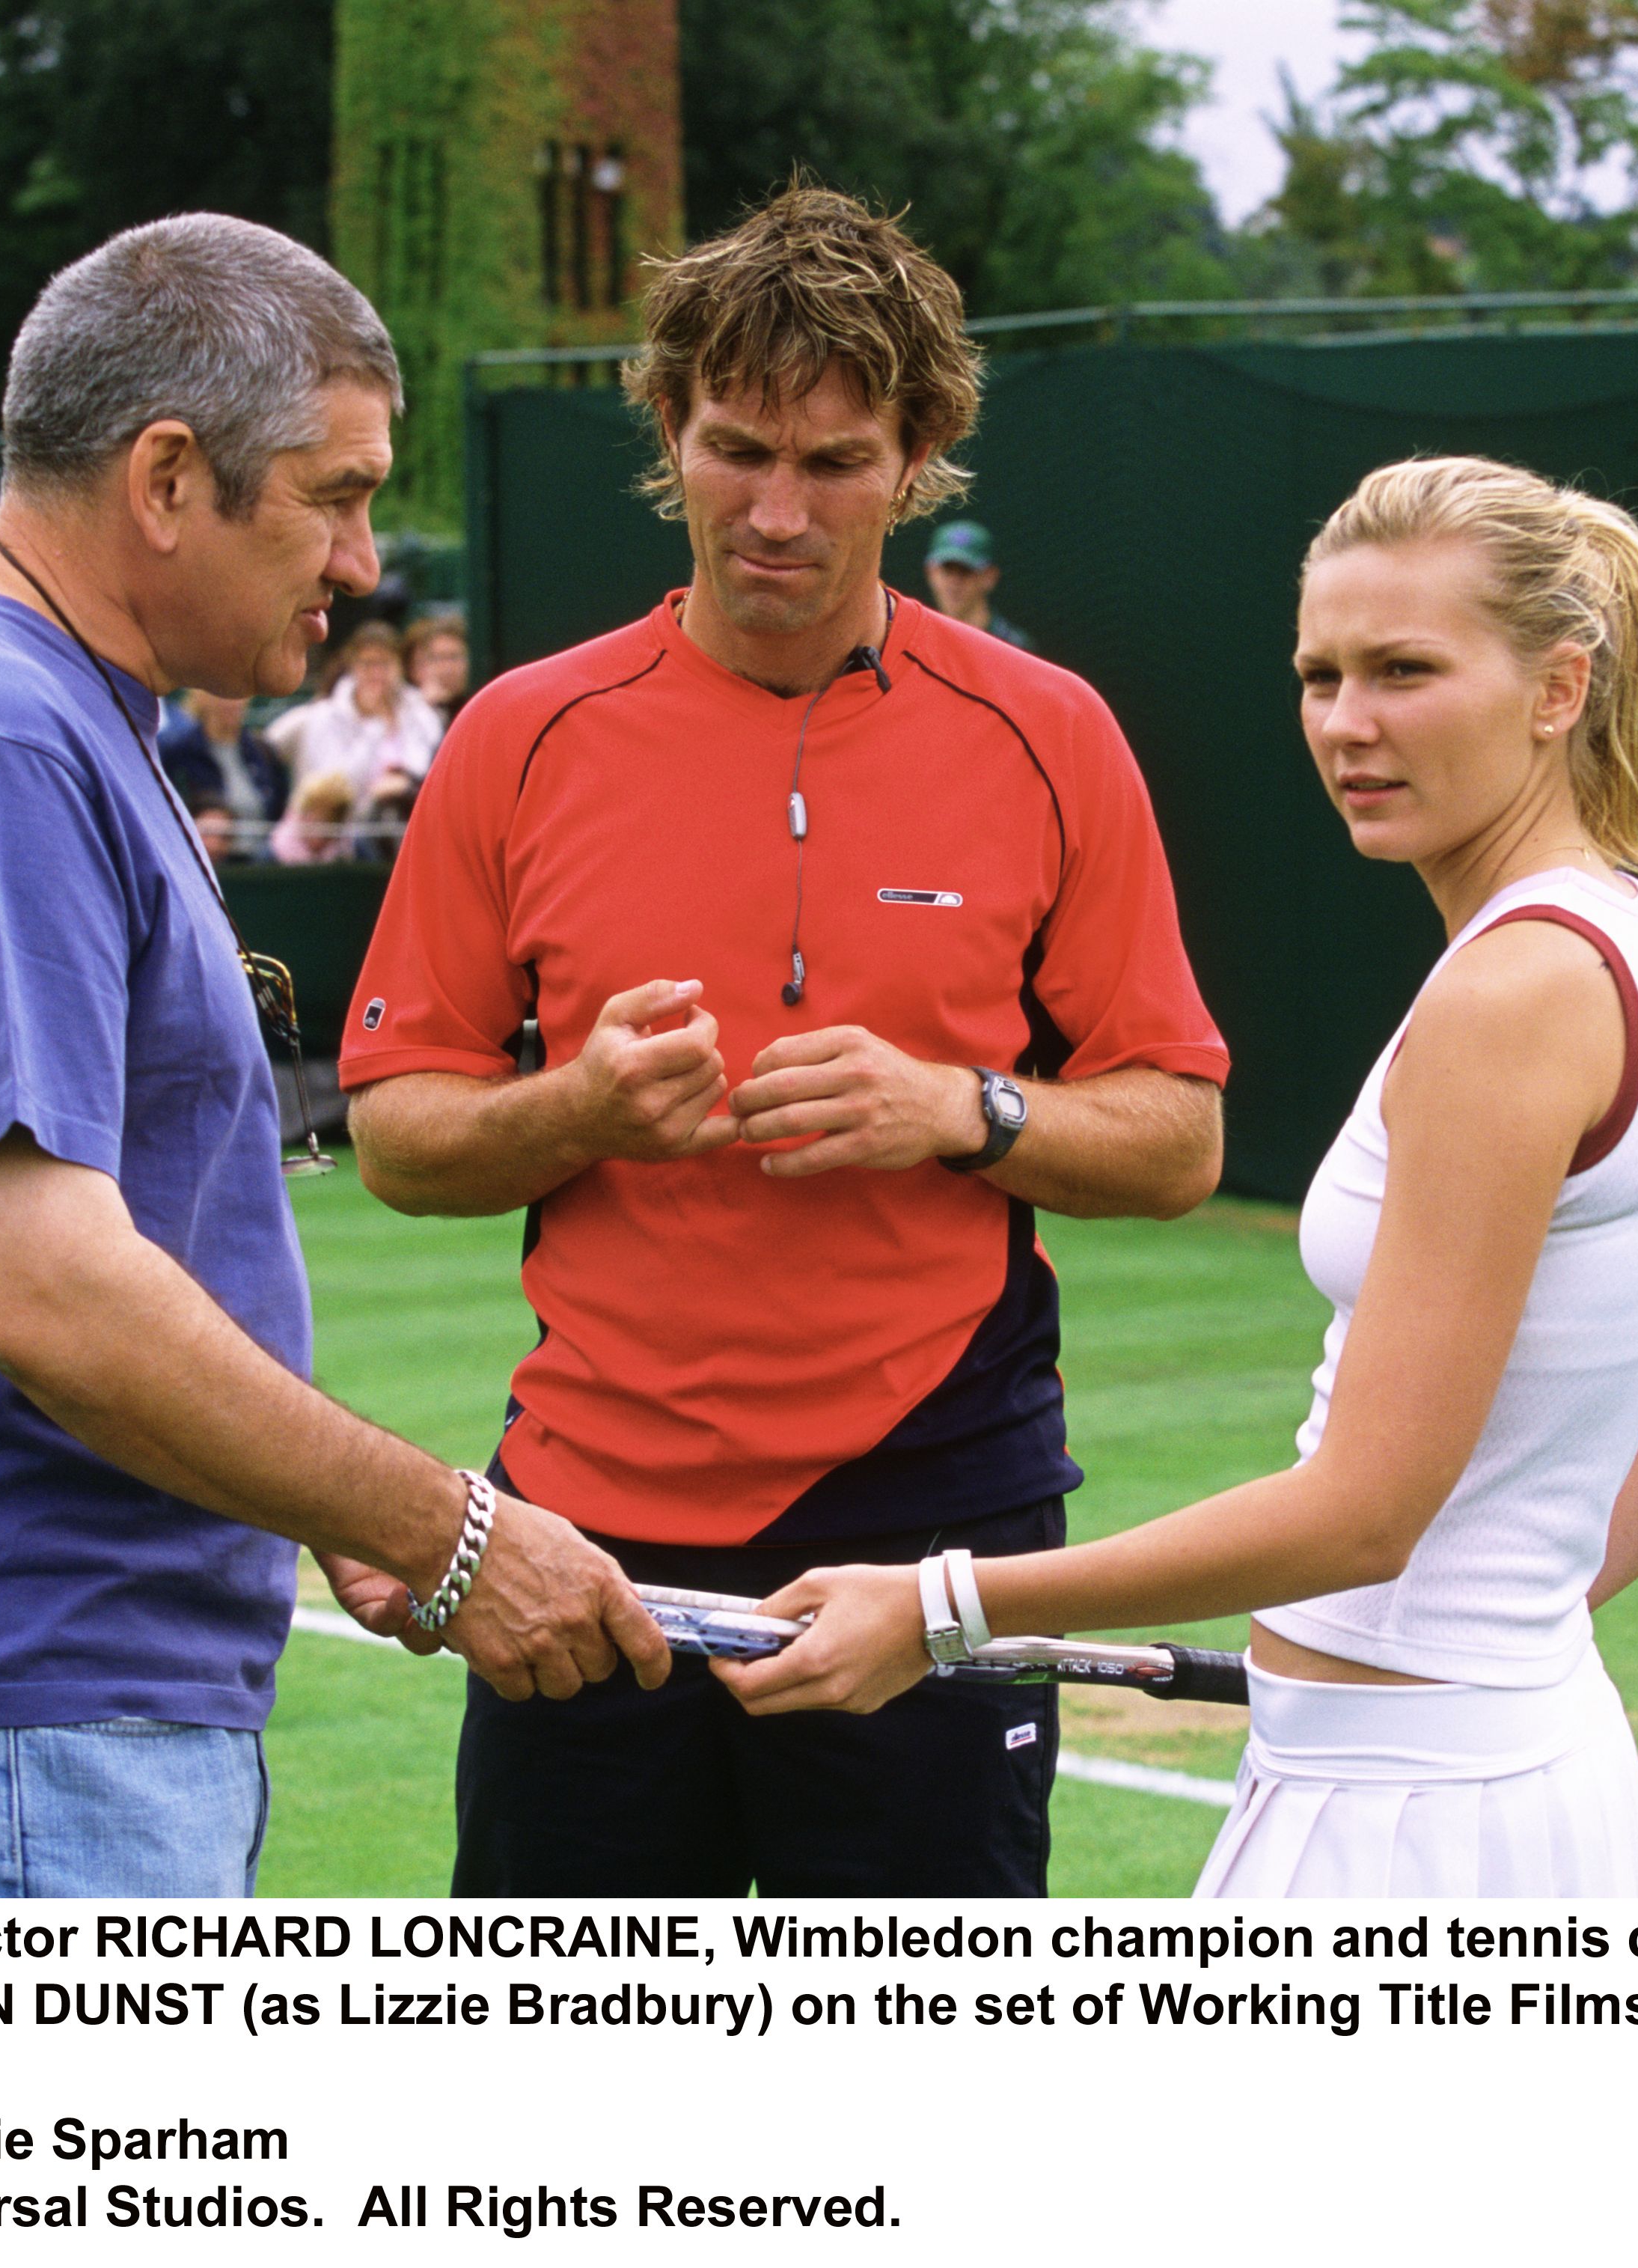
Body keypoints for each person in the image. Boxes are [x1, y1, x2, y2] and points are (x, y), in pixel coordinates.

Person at [0, 212, 667, 1901]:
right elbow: (49, 1293)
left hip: (23, 1719)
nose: (365, 562)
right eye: (338, 492)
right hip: (3, 1729)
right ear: (168, 479)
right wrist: (444, 1531)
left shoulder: (40, 704)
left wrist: (324, 1505)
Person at [721, 455, 1638, 1902]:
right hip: (1505, 1760)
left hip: (1402, 1820)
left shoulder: (1514, 998)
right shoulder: (1627, 935)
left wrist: (943, 1605)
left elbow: (1363, 1514)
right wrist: (1487, 1636)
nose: (1349, 724)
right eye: (1321, 674)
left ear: (1559, 688)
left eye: (1406, 671)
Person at [337, 186, 1229, 1897]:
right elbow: (399, 1135)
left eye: (833, 463)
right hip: (586, 1536)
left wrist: (956, 1108)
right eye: (736, 448)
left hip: (936, 1513)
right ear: (667, 429)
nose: (773, 511)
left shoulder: (1048, 734)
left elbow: (1175, 1135)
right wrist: (583, 1106)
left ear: (919, 456)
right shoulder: (521, 736)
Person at [280, 618, 441, 805]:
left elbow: (427, 768)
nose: (377, 674)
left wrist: (404, 783)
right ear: (353, 667)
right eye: (368, 664)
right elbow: (332, 787)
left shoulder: (419, 711)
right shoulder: (325, 715)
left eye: (385, 664)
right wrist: (374, 726)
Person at [158, 686, 286, 844]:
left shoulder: (262, 751)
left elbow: (280, 811)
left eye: (240, 696)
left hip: (262, 860)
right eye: (223, 695)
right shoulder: (177, 751)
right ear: (203, 699)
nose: (232, 704)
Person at [922, 519, 1033, 650]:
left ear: (989, 577)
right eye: (947, 570)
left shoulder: (1012, 646)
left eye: (965, 571)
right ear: (931, 573)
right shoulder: (919, 639)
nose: (955, 582)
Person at [403, 611, 471, 728]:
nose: (447, 668)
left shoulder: (479, 700)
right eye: (438, 658)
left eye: (453, 657)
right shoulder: (413, 707)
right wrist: (426, 708)